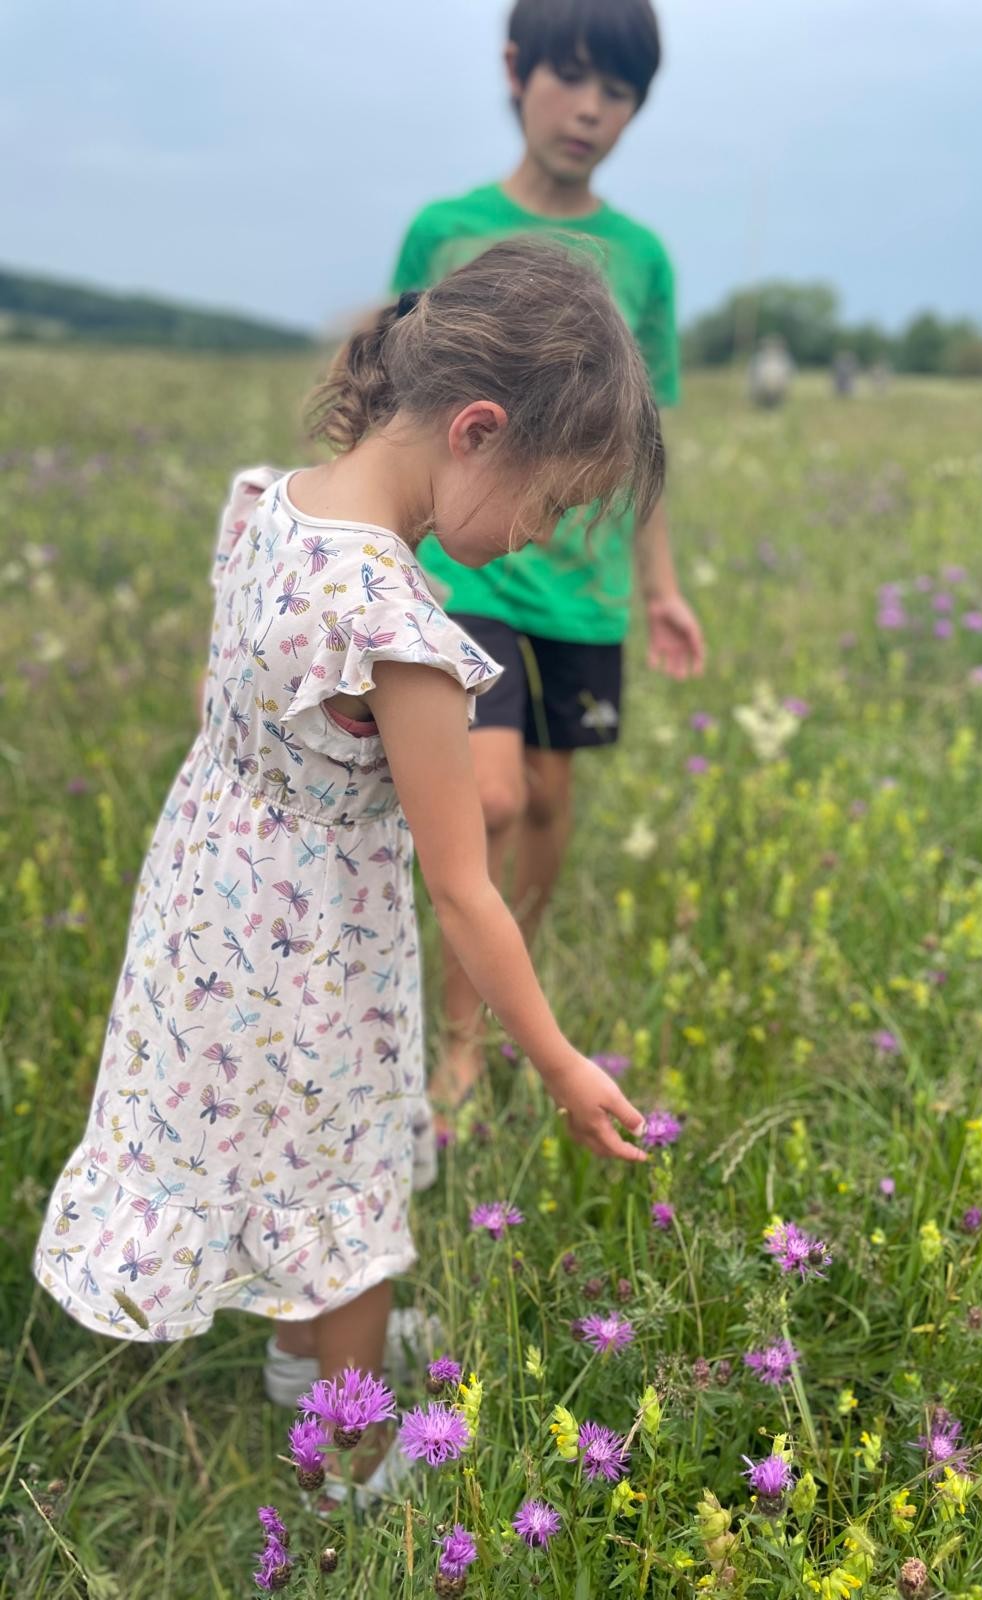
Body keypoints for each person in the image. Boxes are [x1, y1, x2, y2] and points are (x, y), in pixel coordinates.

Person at [33, 238, 658, 1498]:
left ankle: (293, 1356)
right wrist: (557, 1059)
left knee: (275, 1136)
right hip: (318, 946)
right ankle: (352, 1457)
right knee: (348, 1180)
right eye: (548, 504)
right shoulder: (403, 632)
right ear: (476, 429)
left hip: (212, 902)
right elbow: (465, 883)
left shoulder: (271, 501)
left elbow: (235, 696)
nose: (538, 541)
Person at [390, 0, 705, 1129]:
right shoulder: (444, 230)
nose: (589, 110)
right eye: (569, 78)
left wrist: (661, 586)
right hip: (461, 572)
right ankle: (464, 1041)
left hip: (584, 585)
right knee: (492, 789)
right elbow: (393, 403)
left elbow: (642, 447)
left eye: (616, 92)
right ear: (514, 69)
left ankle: (511, 983)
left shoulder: (645, 258)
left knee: (551, 803)